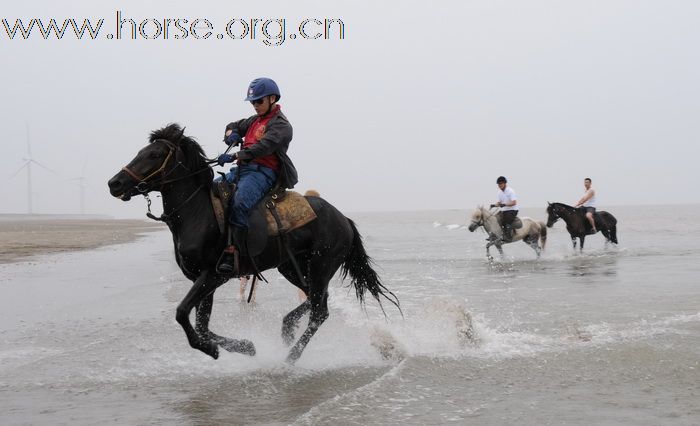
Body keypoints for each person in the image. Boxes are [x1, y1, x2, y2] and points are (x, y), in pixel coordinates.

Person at [216, 77, 299, 274]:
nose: (255, 105)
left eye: (259, 101)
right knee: (211, 192)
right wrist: (231, 134)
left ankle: (234, 252)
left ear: (272, 98)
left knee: (240, 202)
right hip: (242, 171)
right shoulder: (254, 120)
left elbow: (264, 146)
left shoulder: (282, 125)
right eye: (253, 102)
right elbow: (232, 125)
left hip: (264, 174)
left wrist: (237, 154)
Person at [491, 176, 519, 242]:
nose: (499, 185)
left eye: (501, 183)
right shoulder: (499, 193)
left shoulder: (510, 191)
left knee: (507, 222)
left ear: (505, 183)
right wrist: (494, 205)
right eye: (498, 184)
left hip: (513, 210)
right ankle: (494, 236)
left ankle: (508, 237)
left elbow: (514, 202)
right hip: (504, 210)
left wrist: (505, 204)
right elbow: (499, 202)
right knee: (495, 219)